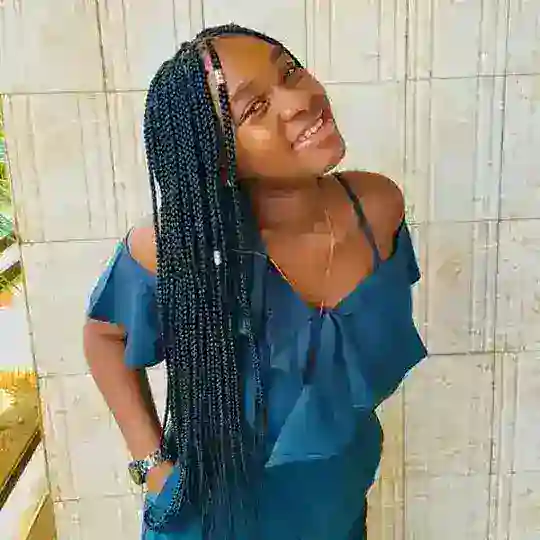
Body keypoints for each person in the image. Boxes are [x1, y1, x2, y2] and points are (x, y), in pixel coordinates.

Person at [83, 23, 427, 540]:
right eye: (255, 108)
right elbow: (103, 336)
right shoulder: (181, 248)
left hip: (335, 511)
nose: (300, 100)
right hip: (213, 521)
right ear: (218, 155)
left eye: (289, 71)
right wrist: (153, 467)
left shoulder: (378, 210)